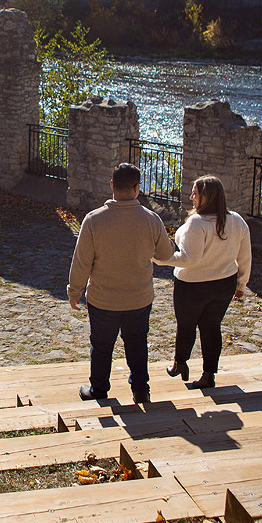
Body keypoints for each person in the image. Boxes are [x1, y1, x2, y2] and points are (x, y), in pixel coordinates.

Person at [67, 163, 175, 403]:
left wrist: (74, 291)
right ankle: (140, 389)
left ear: (112, 186)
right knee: (137, 343)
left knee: (102, 345)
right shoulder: (151, 219)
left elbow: (81, 261)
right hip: (138, 297)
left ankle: (99, 389)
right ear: (137, 188)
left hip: (103, 299)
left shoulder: (94, 220)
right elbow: (166, 254)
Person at [166, 174, 252, 390]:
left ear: (206, 197)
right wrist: (241, 284)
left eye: (195, 193)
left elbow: (188, 259)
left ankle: (180, 363)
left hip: (192, 285)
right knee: (212, 327)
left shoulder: (197, 222)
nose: (191, 197)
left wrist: (158, 257)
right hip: (224, 283)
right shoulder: (237, 221)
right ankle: (208, 375)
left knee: (186, 326)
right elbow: (245, 256)